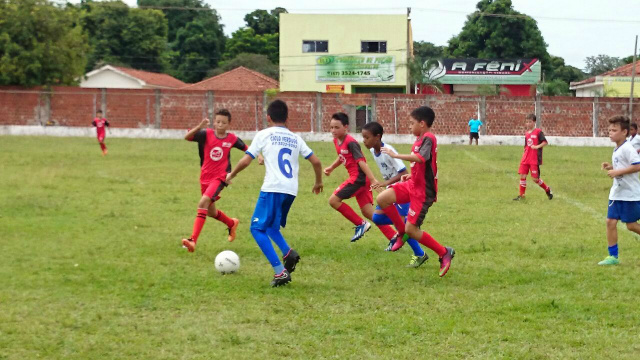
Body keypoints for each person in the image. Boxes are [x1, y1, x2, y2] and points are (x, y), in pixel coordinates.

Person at [226, 100, 323, 287]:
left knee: (256, 229)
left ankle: (280, 272)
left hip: (273, 188)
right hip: (290, 190)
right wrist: (318, 181)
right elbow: (317, 162)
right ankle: (288, 253)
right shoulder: (296, 138)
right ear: (287, 118)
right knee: (271, 227)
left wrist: (232, 174)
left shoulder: (264, 134)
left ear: (268, 117)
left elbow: (246, 161)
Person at [375, 106, 455, 277]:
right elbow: (423, 166)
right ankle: (401, 232)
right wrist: (410, 176)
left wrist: (395, 155)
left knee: (413, 229)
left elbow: (421, 158)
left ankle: (443, 252)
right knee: (383, 199)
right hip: (412, 185)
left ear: (422, 123)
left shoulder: (429, 138)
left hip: (423, 192)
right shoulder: (419, 139)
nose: (409, 127)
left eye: (412, 123)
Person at [362, 122, 429, 268]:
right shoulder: (374, 151)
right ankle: (407, 229)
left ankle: (419, 253)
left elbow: (403, 173)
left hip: (400, 191)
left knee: (404, 227)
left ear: (377, 137)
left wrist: (385, 184)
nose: (364, 141)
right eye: (363, 137)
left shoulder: (388, 151)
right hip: (390, 193)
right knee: (377, 218)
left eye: (367, 137)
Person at [324, 113, 398, 243]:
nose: (333, 131)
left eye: (336, 127)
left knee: (333, 201)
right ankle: (393, 236)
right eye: (331, 127)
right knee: (369, 212)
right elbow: (342, 156)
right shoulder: (336, 140)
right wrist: (331, 167)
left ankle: (361, 224)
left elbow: (361, 161)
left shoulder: (351, 142)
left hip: (358, 179)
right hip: (362, 181)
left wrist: (373, 179)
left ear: (346, 127)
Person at [181, 109, 246, 253]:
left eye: (223, 122)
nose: (220, 125)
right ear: (214, 122)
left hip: (220, 178)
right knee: (210, 212)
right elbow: (187, 137)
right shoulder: (206, 134)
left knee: (202, 202)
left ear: (229, 124)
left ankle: (192, 240)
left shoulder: (232, 139)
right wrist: (200, 126)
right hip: (204, 177)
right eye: (217, 122)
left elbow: (247, 148)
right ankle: (231, 223)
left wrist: (258, 156)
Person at [599, 115, 640, 265]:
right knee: (610, 221)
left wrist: (617, 172)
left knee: (631, 225)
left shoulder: (628, 148)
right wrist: (611, 167)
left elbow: (637, 166)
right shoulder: (617, 148)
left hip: (630, 194)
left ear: (624, 132)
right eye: (609, 130)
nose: (610, 132)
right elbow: (623, 165)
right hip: (617, 193)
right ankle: (613, 257)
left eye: (614, 130)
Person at [513, 114, 553, 201]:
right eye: (526, 122)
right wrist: (524, 153)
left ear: (534, 122)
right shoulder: (526, 133)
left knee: (535, 179)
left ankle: (547, 189)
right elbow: (526, 145)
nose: (528, 124)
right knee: (522, 176)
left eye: (530, 122)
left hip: (534, 159)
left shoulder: (538, 132)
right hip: (525, 158)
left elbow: (545, 142)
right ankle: (521, 195)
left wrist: (537, 146)